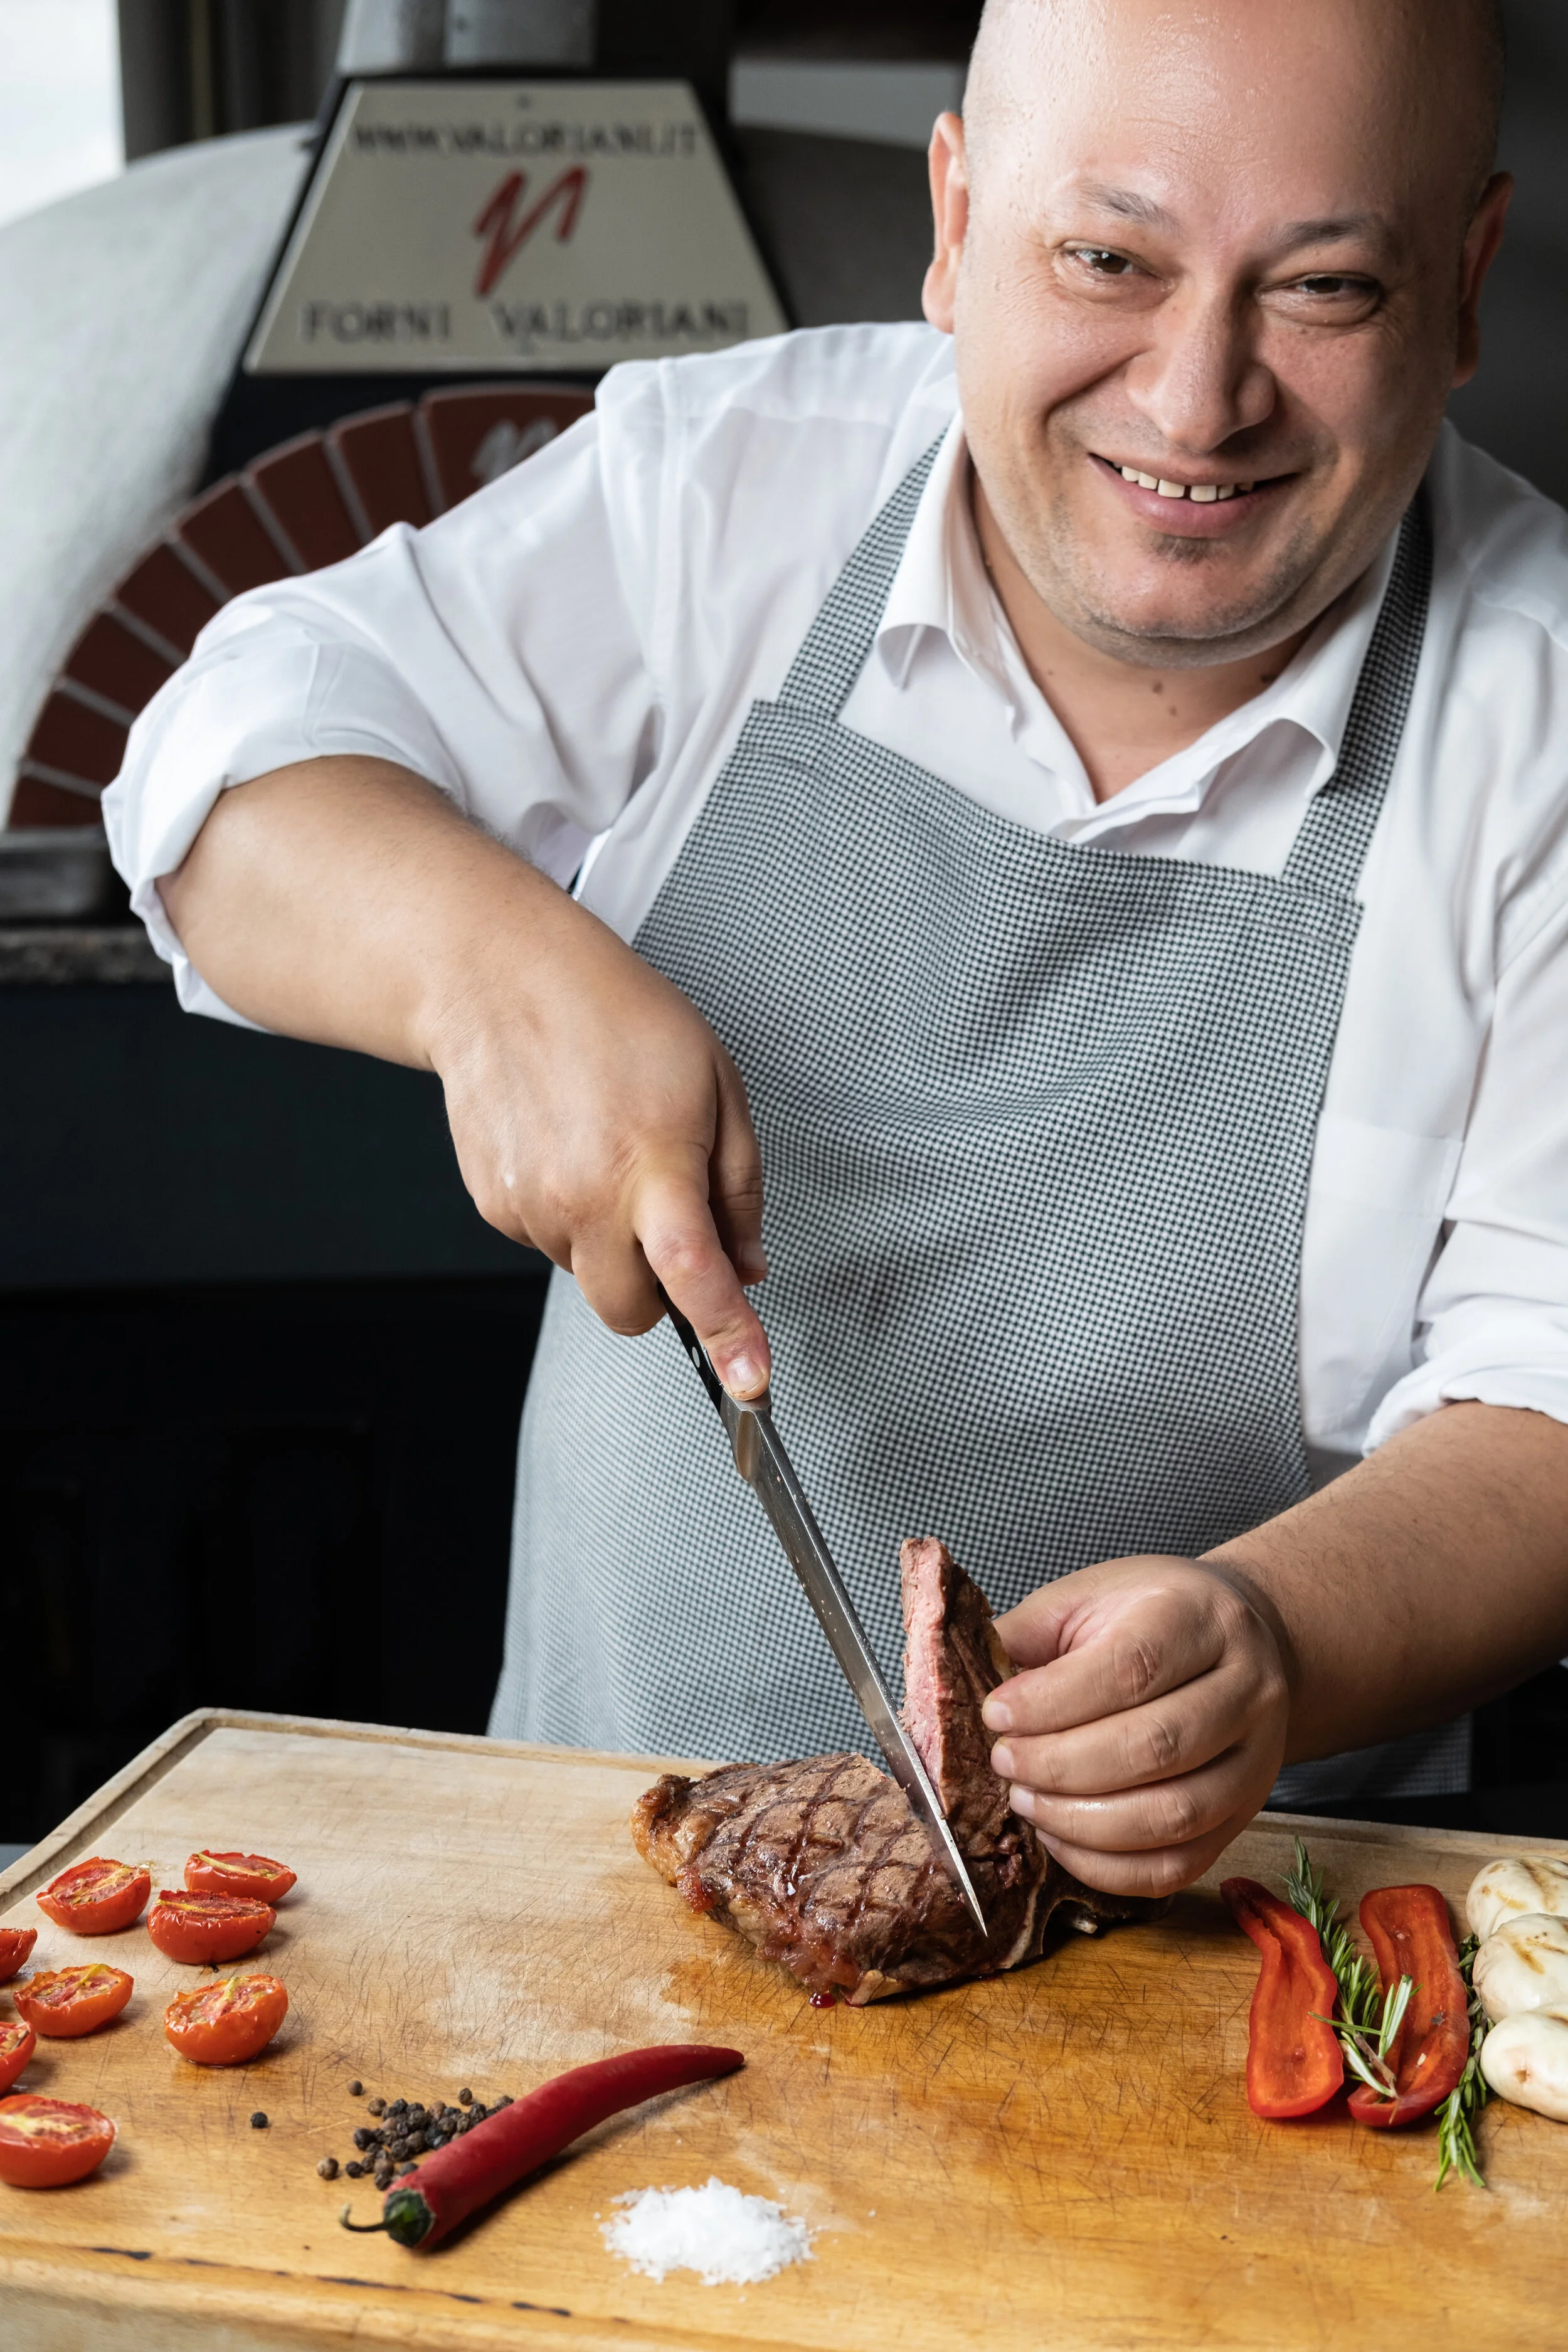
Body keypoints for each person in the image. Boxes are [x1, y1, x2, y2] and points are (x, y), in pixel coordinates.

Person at [106, 0, 1568, 1899]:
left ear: (1460, 288)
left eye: (1322, 291)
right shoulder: (738, 489)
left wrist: (1269, 1638)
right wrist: (496, 976)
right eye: (1104, 260)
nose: (1196, 398)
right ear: (956, 221)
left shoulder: (1538, 723)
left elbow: (1544, 1411)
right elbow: (217, 761)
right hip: (578, 1892)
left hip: (1229, 1971)